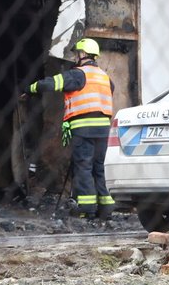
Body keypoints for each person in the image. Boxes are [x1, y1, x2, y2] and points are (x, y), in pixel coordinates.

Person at [22, 38, 115, 220]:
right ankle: (105, 208)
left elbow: (50, 83)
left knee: (83, 166)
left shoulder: (77, 75)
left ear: (83, 54)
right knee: (99, 168)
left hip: (83, 128)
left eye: (77, 53)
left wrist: (30, 88)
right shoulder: (105, 77)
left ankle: (86, 208)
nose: (75, 57)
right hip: (103, 129)